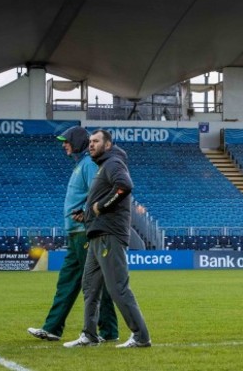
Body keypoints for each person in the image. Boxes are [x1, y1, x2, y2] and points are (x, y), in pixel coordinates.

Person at [27, 126, 118, 342]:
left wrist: (88, 215)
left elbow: (101, 193)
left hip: (84, 233)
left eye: (66, 140)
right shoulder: (82, 164)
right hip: (76, 235)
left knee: (94, 283)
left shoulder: (88, 165)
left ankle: (108, 331)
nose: (63, 144)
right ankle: (53, 328)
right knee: (68, 282)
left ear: (77, 141)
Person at [63, 129, 151, 348]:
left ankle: (141, 337)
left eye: (96, 141)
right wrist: (87, 215)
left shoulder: (113, 164)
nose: (91, 144)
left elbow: (125, 187)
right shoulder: (104, 165)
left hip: (108, 234)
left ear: (108, 145)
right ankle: (89, 335)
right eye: (90, 141)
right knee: (90, 286)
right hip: (97, 234)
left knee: (117, 287)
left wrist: (100, 207)